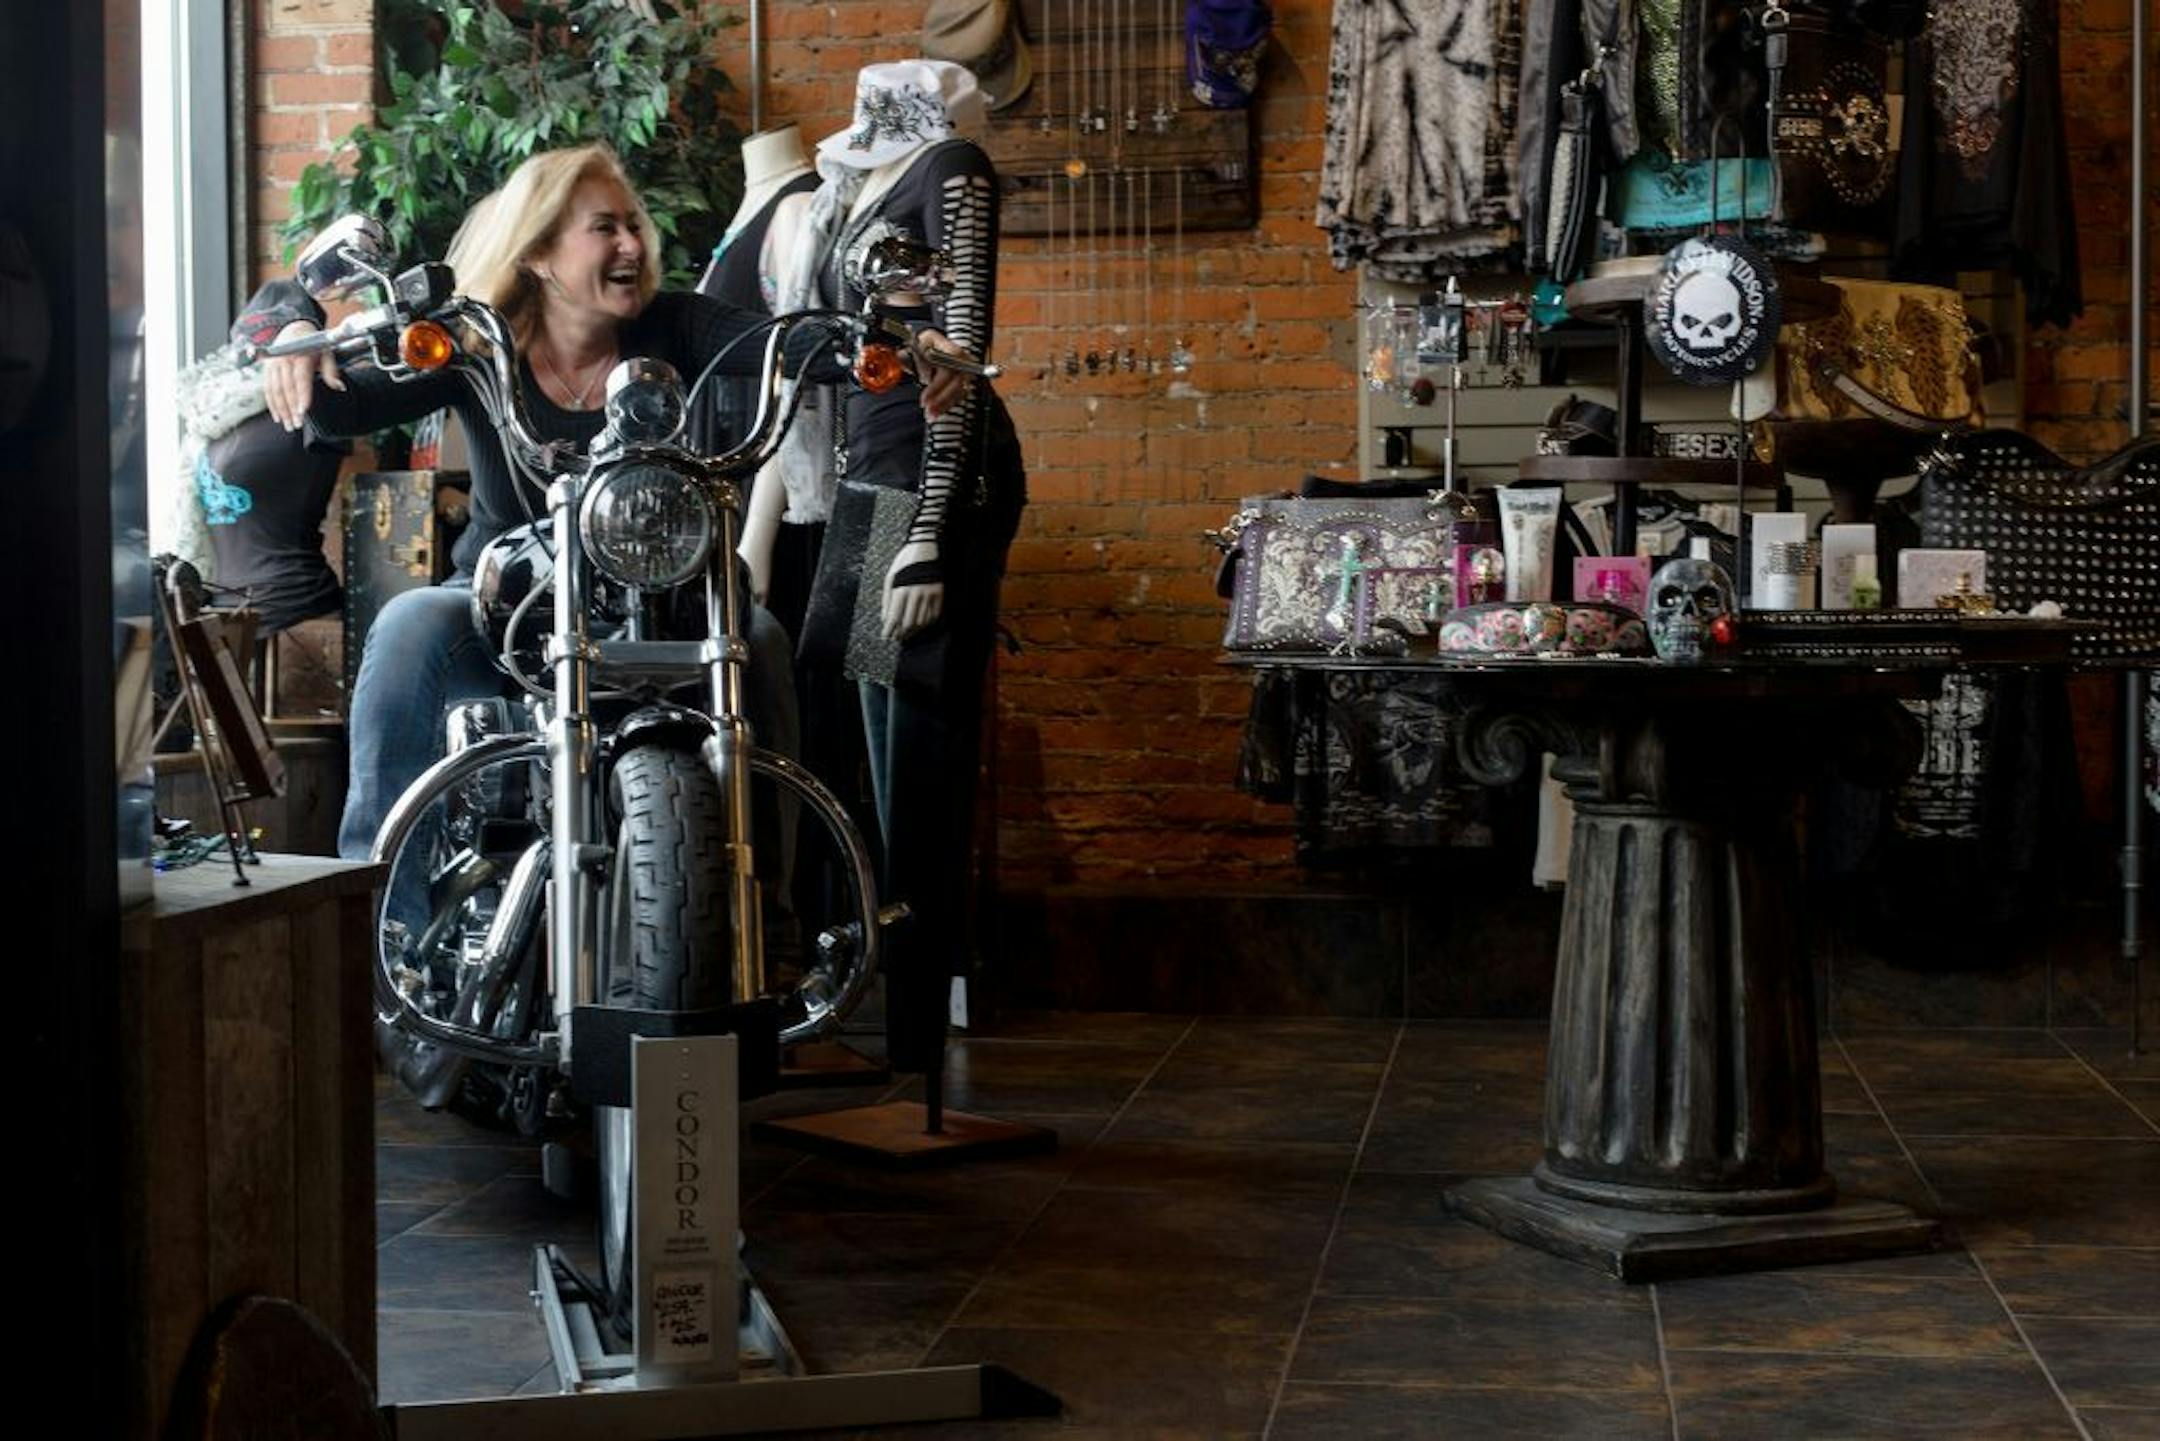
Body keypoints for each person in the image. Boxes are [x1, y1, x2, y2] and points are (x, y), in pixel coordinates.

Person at [249, 142, 965, 878]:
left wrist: (897, 342)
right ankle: (374, 908)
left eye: (633, 225)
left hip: (656, 602)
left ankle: (769, 909)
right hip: (505, 603)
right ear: (537, 254)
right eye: (604, 228)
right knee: (405, 623)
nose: (631, 244)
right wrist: (295, 324)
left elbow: (788, 341)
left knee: (762, 639)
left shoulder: (674, 327)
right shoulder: (475, 342)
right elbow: (337, 410)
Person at [755, 60, 1027, 1076]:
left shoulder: (953, 166)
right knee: (877, 768)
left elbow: (957, 360)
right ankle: (900, 1036)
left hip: (927, 488)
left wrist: (929, 532)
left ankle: (917, 1046)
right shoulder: (843, 190)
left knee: (919, 763)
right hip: (870, 495)